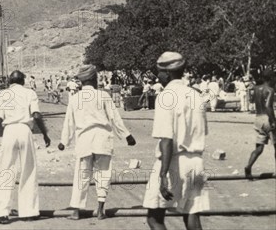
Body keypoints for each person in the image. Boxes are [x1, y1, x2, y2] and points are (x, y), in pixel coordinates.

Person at [58, 64, 136, 220]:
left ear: (81, 81)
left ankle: (76, 211)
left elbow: (69, 122)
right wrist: (127, 135)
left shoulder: (75, 98)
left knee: (82, 175)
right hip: (102, 138)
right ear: (94, 79)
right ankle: (100, 209)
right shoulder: (103, 96)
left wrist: (64, 142)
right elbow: (114, 118)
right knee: (103, 174)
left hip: (84, 140)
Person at [143, 52, 209, 230]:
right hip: (195, 161)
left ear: (167, 73)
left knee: (154, 218)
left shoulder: (166, 96)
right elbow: (203, 131)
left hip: (173, 162)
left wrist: (163, 174)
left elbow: (166, 139)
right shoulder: (196, 95)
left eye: (160, 72)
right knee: (192, 217)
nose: (159, 76)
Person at [0, 70, 51, 225]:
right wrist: (45, 134)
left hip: (9, 131)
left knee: (5, 171)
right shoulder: (30, 93)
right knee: (28, 170)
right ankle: (29, 211)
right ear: (23, 81)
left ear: (9, 81)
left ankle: (2, 213)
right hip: (25, 130)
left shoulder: (3, 94)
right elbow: (36, 115)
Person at [244, 69, 276, 178]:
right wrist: (273, 121)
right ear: (271, 78)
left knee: (259, 148)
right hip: (267, 118)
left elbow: (252, 101)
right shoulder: (270, 90)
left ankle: (248, 166)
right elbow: (268, 106)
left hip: (257, 118)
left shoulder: (256, 89)